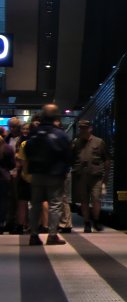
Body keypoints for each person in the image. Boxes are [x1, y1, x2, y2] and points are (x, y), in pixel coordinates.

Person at [25, 104, 72, 246]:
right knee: (55, 205)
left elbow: (27, 151)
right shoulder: (60, 134)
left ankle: (33, 235)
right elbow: (68, 155)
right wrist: (64, 169)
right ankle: (52, 235)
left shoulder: (34, 133)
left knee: (35, 205)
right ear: (56, 117)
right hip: (55, 174)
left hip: (37, 174)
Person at [72, 119, 108, 233]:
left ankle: (96, 220)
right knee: (84, 200)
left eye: (85, 128)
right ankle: (87, 223)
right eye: (81, 128)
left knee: (96, 199)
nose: (82, 130)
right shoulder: (76, 143)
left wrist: (105, 177)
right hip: (81, 175)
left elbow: (106, 159)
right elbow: (71, 158)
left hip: (96, 176)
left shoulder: (99, 142)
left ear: (90, 129)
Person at [5, 118, 22, 234]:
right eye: (10, 126)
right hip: (7, 172)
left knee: (18, 198)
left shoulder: (23, 138)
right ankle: (9, 222)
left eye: (14, 126)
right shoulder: (6, 138)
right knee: (8, 198)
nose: (12, 129)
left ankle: (18, 223)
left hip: (19, 171)